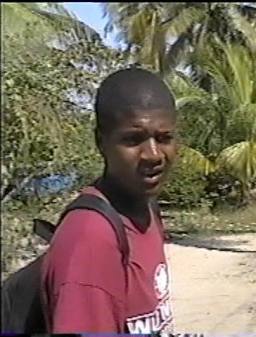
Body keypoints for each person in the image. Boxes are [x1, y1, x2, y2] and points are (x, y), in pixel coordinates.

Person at [40, 68, 178, 334]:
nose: (153, 154)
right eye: (133, 139)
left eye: (164, 138)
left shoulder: (146, 207)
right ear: (100, 142)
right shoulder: (91, 237)